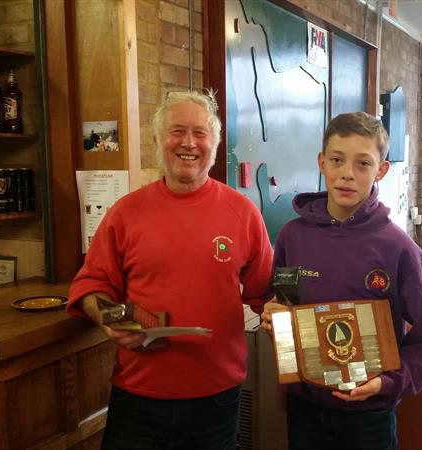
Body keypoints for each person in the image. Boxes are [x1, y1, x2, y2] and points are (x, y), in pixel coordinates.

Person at [67, 91, 274, 450]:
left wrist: (278, 312)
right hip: (138, 397)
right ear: (158, 140)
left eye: (200, 133)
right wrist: (111, 318)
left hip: (217, 397)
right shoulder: (125, 213)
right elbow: (91, 285)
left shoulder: (243, 213)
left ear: (216, 143)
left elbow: (265, 293)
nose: (188, 143)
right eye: (177, 131)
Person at [260, 112, 422, 450]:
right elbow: (284, 305)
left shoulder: (398, 248)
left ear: (380, 170)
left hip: (369, 416)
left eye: (362, 164)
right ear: (322, 162)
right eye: (337, 160)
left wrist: (388, 383)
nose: (347, 173)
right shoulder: (292, 236)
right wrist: (273, 316)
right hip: (305, 406)